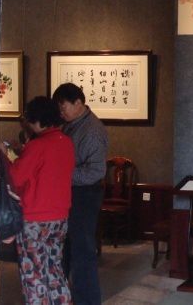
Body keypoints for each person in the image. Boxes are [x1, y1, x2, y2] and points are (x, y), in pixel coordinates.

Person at [0, 96, 75, 304]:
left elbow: (16, 178)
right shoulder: (66, 142)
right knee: (54, 270)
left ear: (36, 119)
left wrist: (5, 155)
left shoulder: (37, 145)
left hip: (35, 219)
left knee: (33, 274)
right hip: (60, 216)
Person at [52, 82, 108, 305]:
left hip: (85, 195)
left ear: (78, 103)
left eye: (63, 106)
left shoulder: (92, 130)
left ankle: (87, 301)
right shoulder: (71, 125)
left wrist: (62, 174)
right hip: (71, 193)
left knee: (82, 252)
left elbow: (96, 171)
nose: (61, 112)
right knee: (67, 249)